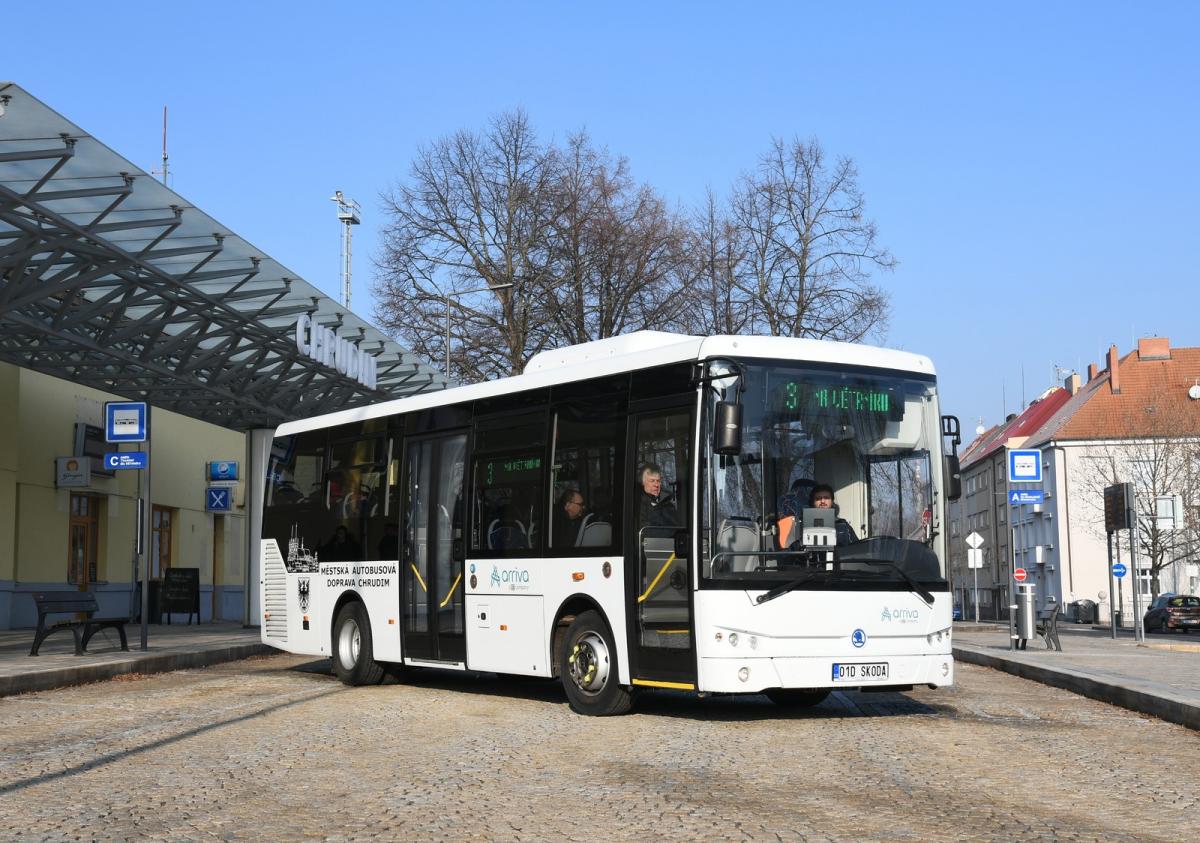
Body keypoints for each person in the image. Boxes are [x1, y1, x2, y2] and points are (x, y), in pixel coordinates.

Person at [637, 463, 678, 528]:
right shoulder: (636, 503)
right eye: (652, 481)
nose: (656, 485)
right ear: (642, 482)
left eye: (658, 481)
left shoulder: (668, 503)